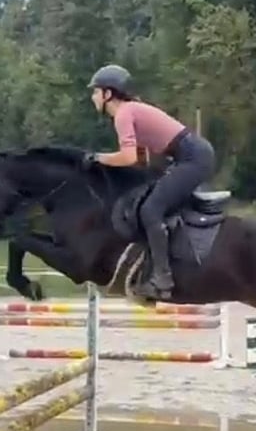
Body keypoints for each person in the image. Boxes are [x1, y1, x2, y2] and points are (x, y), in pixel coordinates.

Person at [84, 63, 216, 300]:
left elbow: (128, 157)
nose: (93, 96)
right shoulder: (132, 110)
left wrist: (97, 158)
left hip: (192, 158)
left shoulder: (123, 114)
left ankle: (162, 280)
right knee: (147, 200)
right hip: (189, 155)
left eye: (96, 91)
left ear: (108, 94)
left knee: (151, 209)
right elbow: (141, 159)